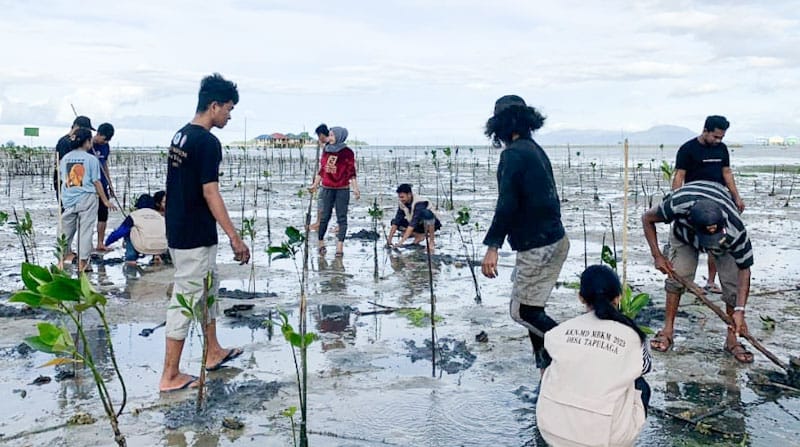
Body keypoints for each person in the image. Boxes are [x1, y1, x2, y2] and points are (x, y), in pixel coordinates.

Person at [160, 73, 251, 392]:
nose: (229, 115)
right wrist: (235, 237)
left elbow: (174, 187)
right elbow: (210, 192)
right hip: (194, 234)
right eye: (228, 109)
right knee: (185, 298)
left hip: (180, 228)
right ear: (214, 106)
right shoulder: (208, 143)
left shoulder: (181, 136)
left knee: (207, 290)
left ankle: (213, 351)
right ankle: (170, 374)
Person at [480, 95, 570, 374]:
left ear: (500, 125)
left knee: (522, 312)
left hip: (538, 244)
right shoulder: (534, 149)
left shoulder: (513, 154)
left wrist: (493, 246)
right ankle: (546, 371)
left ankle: (576, 352)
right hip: (554, 239)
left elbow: (507, 203)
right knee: (534, 308)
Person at [537, 265, 651, 447]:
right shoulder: (633, 334)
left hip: (550, 430)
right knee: (640, 384)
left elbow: (546, 366)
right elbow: (645, 367)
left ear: (581, 297)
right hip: (604, 439)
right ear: (619, 297)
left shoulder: (558, 332)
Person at [642, 181, 754, 363]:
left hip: (725, 243)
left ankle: (732, 339)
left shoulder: (735, 230)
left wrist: (740, 310)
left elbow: (744, 269)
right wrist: (658, 256)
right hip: (684, 236)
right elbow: (647, 218)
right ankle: (667, 330)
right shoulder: (676, 205)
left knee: (732, 285)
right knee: (678, 276)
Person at [672, 115, 744, 294]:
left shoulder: (722, 149)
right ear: (705, 131)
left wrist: (736, 197)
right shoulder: (688, 149)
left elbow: (727, 173)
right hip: (695, 202)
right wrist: (675, 201)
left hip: (718, 200)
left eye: (721, 137)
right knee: (692, 240)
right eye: (715, 136)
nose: (718, 140)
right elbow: (680, 175)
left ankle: (711, 281)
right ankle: (689, 282)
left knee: (716, 239)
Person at [58, 128, 115, 272]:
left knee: (65, 232)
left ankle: (60, 261)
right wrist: (105, 200)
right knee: (85, 231)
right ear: (87, 142)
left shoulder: (65, 158)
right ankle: (82, 263)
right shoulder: (91, 159)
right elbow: (96, 182)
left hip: (68, 199)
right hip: (87, 199)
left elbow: (64, 179)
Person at [308, 126, 360, 256]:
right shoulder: (326, 150)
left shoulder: (347, 152)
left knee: (342, 218)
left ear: (339, 136)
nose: (329, 138)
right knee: (324, 216)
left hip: (342, 189)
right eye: (329, 135)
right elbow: (322, 170)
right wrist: (315, 184)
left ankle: (339, 247)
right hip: (327, 188)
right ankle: (321, 242)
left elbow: (351, 172)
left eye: (332, 135)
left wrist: (355, 188)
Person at [104, 194, 167, 266]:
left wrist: (106, 243)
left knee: (131, 230)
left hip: (144, 246)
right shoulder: (159, 216)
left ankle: (131, 258)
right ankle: (157, 256)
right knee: (155, 230)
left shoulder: (134, 215)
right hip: (162, 247)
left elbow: (119, 232)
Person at [386, 183, 441, 252]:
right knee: (394, 222)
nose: (401, 199)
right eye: (399, 197)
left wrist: (401, 242)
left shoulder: (419, 202)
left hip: (429, 224)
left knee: (427, 214)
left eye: (402, 197)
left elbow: (413, 223)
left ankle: (431, 242)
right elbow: (397, 220)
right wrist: (389, 240)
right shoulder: (402, 203)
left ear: (409, 194)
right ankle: (418, 235)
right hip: (415, 224)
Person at [90, 123, 116, 252]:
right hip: (90, 185)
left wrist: (110, 184)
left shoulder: (105, 147)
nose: (105, 142)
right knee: (88, 215)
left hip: (102, 182)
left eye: (108, 140)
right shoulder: (87, 145)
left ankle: (100, 243)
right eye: (104, 139)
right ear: (98, 134)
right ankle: (87, 244)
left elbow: (104, 164)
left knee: (103, 213)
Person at [54, 116, 95, 199]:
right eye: (86, 129)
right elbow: (65, 165)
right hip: (67, 182)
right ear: (77, 127)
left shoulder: (79, 142)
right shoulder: (64, 142)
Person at [308, 123, 330, 232]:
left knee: (322, 200)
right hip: (328, 179)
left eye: (318, 135)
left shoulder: (330, 146)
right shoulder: (329, 145)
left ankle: (319, 223)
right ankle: (319, 222)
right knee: (323, 200)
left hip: (330, 180)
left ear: (321, 134)